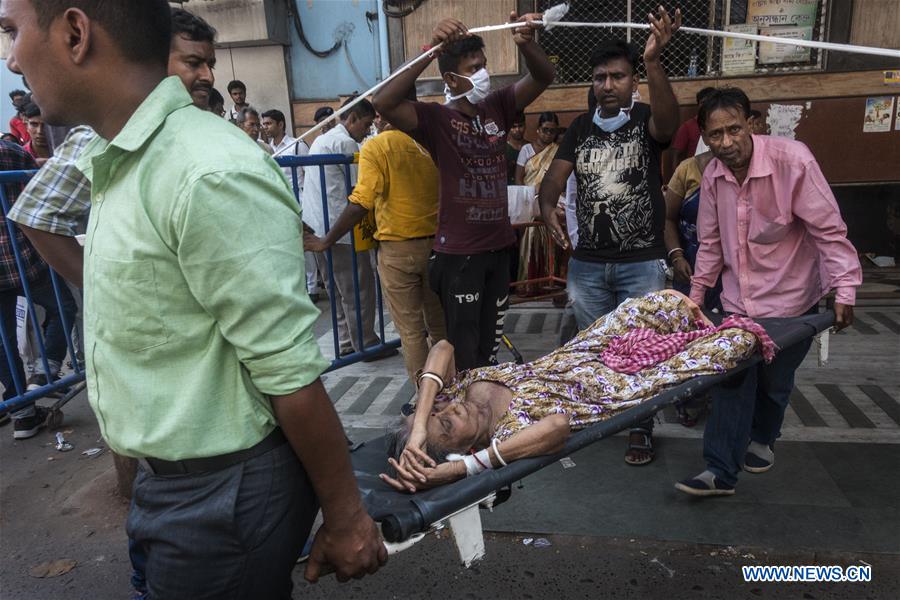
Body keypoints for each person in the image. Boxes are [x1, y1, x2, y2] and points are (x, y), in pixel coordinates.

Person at [1, 2, 386, 596]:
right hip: (169, 486)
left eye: (10, 32)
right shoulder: (121, 159)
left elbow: (290, 374)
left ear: (76, 33)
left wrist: (348, 518)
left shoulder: (206, 172)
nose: (10, 57)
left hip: (222, 497)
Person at [381, 289, 777, 493]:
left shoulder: (460, 390)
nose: (447, 415)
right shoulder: (503, 438)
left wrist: (419, 426)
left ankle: (681, 325)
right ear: (464, 450)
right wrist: (460, 470)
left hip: (576, 354)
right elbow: (557, 426)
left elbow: (442, 348)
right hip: (610, 388)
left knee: (656, 303)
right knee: (736, 342)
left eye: (437, 414)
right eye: (445, 429)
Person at [676, 87, 862, 497]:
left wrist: (845, 287)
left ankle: (763, 436)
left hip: (793, 299)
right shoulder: (712, 176)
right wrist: (695, 296)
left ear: (751, 123)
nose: (727, 143)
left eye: (734, 130)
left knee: (775, 382)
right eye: (716, 135)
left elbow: (828, 230)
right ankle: (719, 470)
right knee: (732, 380)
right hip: (738, 302)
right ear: (704, 136)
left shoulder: (792, 160)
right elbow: (709, 244)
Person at [539, 8, 682, 467]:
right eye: (600, 77)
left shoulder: (645, 119)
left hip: (642, 260)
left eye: (617, 76)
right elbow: (554, 179)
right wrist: (546, 206)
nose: (607, 85)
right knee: (596, 346)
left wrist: (655, 61)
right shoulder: (579, 129)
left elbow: (670, 123)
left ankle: (640, 425)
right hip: (588, 263)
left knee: (640, 347)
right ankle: (607, 413)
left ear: (631, 80)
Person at [373, 12, 556, 371]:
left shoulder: (497, 107)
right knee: (464, 349)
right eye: (473, 68)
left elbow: (543, 76)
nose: (483, 73)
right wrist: (430, 50)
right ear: (450, 79)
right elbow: (384, 103)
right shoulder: (435, 119)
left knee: (489, 348)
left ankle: (484, 413)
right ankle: (462, 415)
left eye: (484, 65)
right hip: (460, 256)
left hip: (499, 248)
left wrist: (527, 44)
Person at [304, 92, 446, 386]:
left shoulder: (377, 147)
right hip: (436, 247)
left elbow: (360, 201)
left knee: (410, 332)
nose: (371, 126)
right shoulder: (432, 143)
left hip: (398, 251)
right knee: (438, 325)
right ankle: (451, 385)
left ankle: (425, 400)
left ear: (384, 115)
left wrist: (326, 240)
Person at [302, 97, 394, 360]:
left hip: (318, 227)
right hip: (339, 230)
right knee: (358, 290)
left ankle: (346, 342)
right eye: (365, 124)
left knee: (338, 291)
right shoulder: (346, 143)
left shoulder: (321, 139)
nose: (367, 130)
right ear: (352, 118)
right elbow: (360, 193)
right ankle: (365, 343)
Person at [0, 140, 77, 439]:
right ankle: (47, 368)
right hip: (23, 257)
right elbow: (34, 170)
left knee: (5, 341)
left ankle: (23, 415)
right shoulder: (8, 151)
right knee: (64, 307)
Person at [263, 108, 322, 303]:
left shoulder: (297, 145)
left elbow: (310, 174)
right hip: (279, 201)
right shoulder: (267, 148)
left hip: (300, 199)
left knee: (305, 243)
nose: (265, 127)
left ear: (281, 124)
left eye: (269, 123)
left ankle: (312, 287)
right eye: (264, 124)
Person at [664, 151, 720, 308]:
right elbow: (668, 218)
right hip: (690, 263)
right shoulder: (688, 169)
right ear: (704, 135)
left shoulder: (741, 172)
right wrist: (677, 256)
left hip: (732, 265)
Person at [514, 111, 560, 295]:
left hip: (549, 201)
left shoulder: (558, 150)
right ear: (538, 129)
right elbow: (519, 178)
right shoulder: (526, 150)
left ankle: (548, 283)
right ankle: (528, 284)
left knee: (550, 239)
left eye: (552, 131)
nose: (548, 134)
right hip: (528, 201)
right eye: (545, 130)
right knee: (530, 238)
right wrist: (526, 198)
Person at [669, 86, 715, 176]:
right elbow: (677, 156)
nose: (707, 106)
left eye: (711, 102)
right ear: (698, 105)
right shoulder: (687, 127)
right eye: (703, 102)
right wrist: (679, 178)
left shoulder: (722, 125)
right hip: (695, 176)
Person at [505, 112, 527, 185]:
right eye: (514, 127)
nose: (517, 129)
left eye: (520, 126)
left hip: (528, 191)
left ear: (525, 126)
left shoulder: (531, 147)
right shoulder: (504, 149)